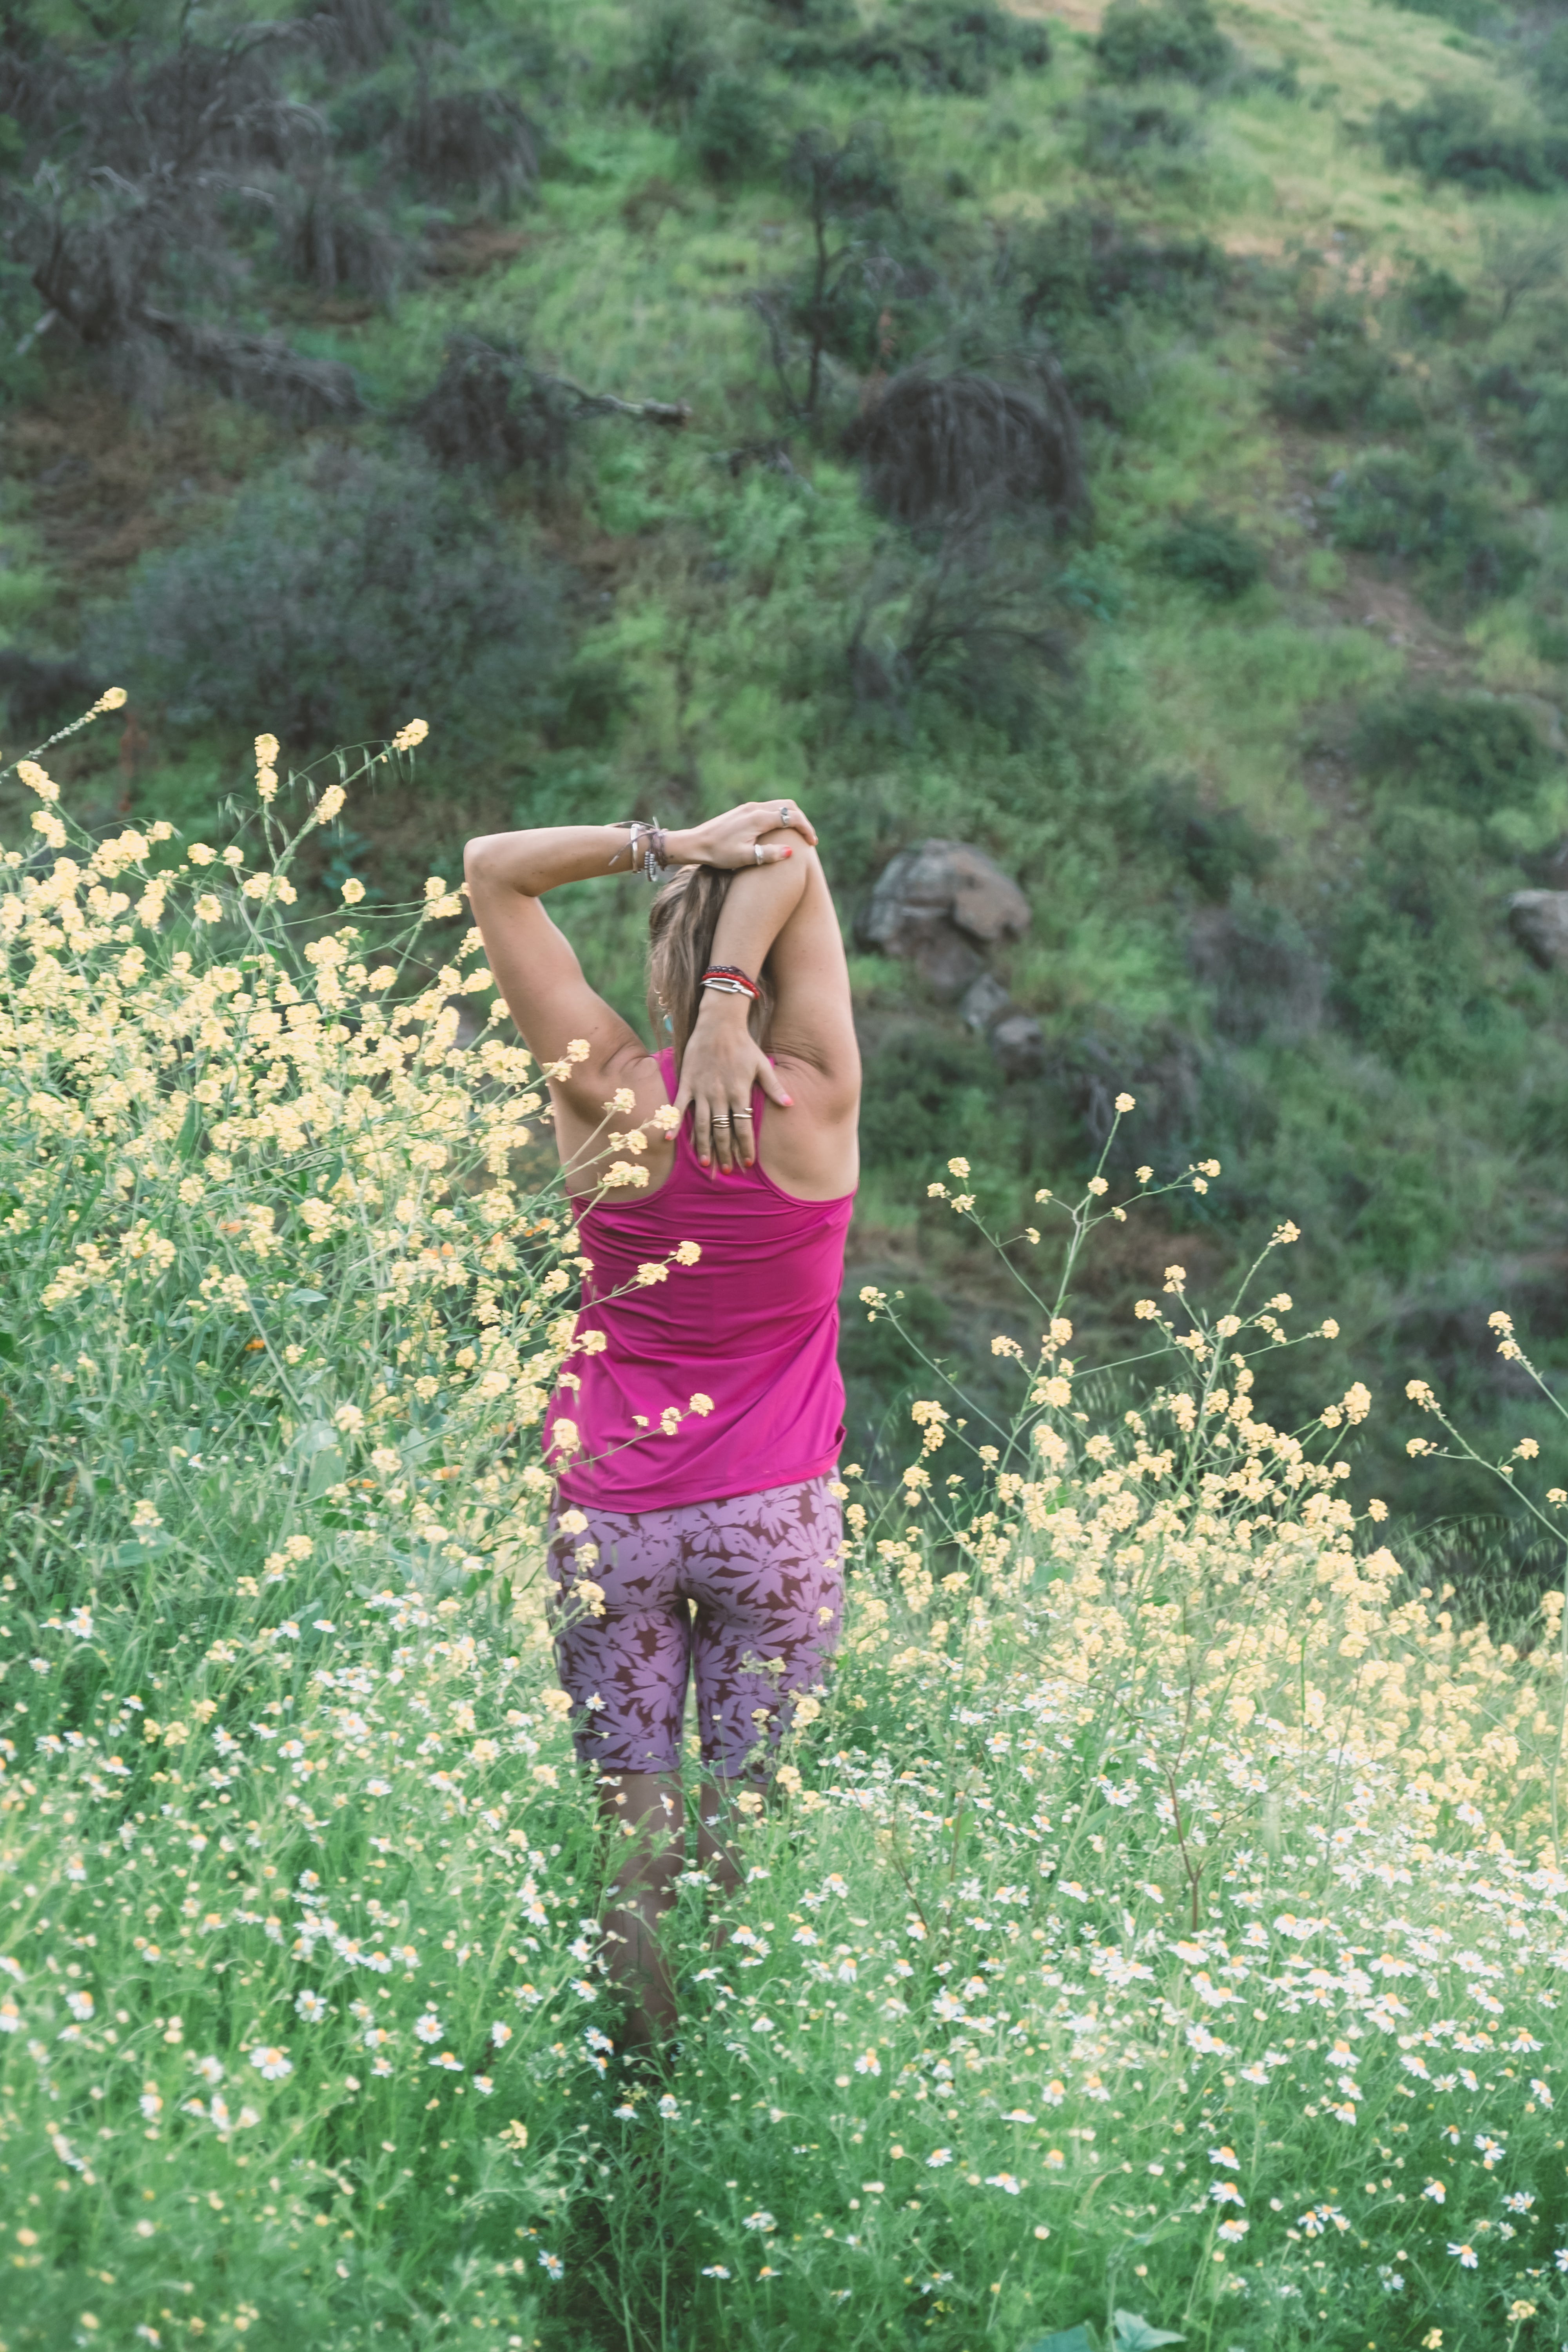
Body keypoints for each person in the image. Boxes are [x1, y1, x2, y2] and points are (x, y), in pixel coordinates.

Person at [464, 800, 860, 2049]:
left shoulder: (600, 1088)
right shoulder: (822, 1103)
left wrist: (673, 844)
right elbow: (794, 845)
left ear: (659, 960)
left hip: (615, 1519)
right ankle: (728, 2078)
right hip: (773, 1521)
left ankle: (640, 2084)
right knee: (745, 1818)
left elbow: (491, 873)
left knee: (629, 1825)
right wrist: (739, 1007)